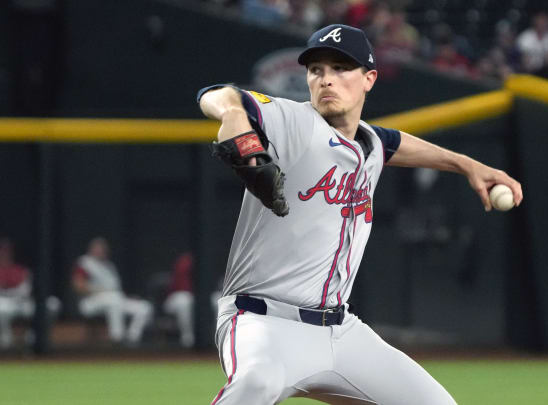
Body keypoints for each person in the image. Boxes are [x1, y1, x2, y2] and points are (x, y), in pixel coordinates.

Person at [197, 24, 522, 404]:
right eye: (316, 70)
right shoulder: (293, 122)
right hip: (262, 322)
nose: (326, 79)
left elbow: (393, 143)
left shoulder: (368, 143)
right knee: (257, 384)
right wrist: (234, 115)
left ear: (369, 79)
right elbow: (216, 95)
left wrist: (466, 164)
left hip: (340, 331)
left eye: (340, 68)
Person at [72, 237, 153, 345]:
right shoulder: (85, 263)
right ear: (91, 250)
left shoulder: (109, 265)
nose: (100, 251)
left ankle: (132, 339)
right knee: (113, 300)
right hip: (90, 302)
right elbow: (78, 286)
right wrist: (98, 290)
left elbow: (115, 289)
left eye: (102, 249)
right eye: (97, 248)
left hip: (114, 300)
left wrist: (125, 297)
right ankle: (117, 339)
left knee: (144, 307)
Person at [0, 237, 61, 349]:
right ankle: (4, 340)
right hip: (5, 302)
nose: (4, 254)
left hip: (21, 302)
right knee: (1, 308)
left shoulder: (21, 270)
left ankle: (35, 334)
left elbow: (26, 289)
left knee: (53, 304)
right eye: (2, 251)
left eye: (6, 251)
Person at [163, 251, 195, 348]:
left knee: (219, 301)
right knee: (184, 301)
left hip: (194, 298)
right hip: (175, 298)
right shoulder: (183, 263)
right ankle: (187, 338)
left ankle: (219, 338)